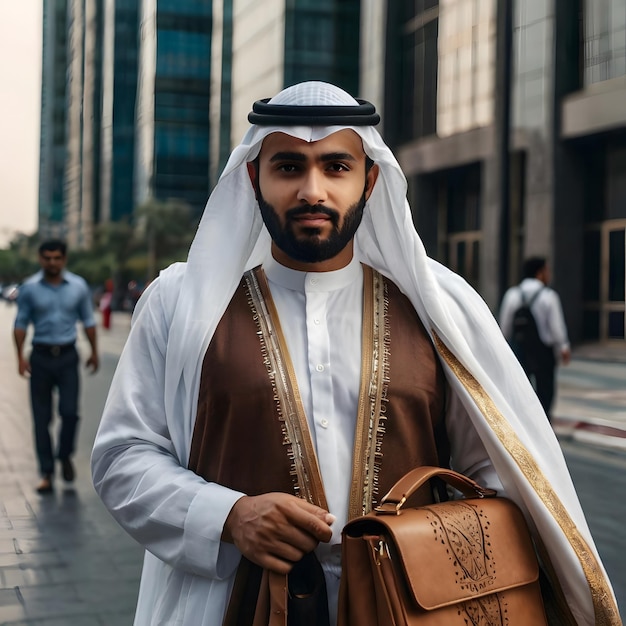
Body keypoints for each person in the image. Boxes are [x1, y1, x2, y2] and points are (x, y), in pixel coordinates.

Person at [91, 82, 620, 625]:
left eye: (336, 167)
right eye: (289, 167)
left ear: (370, 179)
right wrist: (228, 516)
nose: (312, 191)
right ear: (254, 178)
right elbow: (122, 456)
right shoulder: (182, 303)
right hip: (228, 606)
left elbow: (490, 468)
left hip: (409, 607)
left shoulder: (436, 306)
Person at [14, 239, 99, 493]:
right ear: (41, 259)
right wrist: (19, 356)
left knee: (70, 412)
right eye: (47, 258)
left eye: (56, 258)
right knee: (42, 418)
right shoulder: (29, 289)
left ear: (64, 259)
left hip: (67, 356)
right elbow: (20, 324)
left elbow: (88, 320)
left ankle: (64, 454)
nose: (52, 262)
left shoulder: (78, 286)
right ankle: (47, 473)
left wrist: (94, 352)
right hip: (40, 357)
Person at [499, 256, 571, 420]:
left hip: (519, 351)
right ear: (539, 273)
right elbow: (556, 327)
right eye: (547, 270)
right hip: (543, 353)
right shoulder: (549, 296)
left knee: (520, 391)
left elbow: (504, 327)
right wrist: (564, 347)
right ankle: (543, 426)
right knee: (545, 393)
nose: (549, 274)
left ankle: (523, 425)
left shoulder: (512, 295)